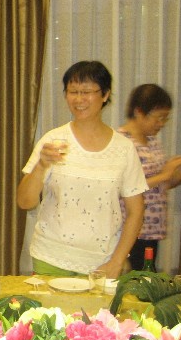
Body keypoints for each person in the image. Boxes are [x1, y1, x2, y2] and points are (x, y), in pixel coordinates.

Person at [17, 60, 148, 279]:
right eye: (73, 92)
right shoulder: (53, 140)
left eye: (86, 92)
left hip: (102, 262)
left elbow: (136, 211)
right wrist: (41, 166)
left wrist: (117, 261)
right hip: (50, 257)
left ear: (105, 95)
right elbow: (24, 202)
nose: (79, 99)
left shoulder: (123, 149)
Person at [118, 84, 181, 271]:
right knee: (135, 279)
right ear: (139, 112)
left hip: (153, 228)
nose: (161, 124)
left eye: (165, 118)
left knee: (148, 275)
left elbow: (160, 184)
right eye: (158, 118)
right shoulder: (121, 141)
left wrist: (180, 174)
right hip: (131, 227)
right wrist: (165, 174)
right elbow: (123, 187)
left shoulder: (152, 141)